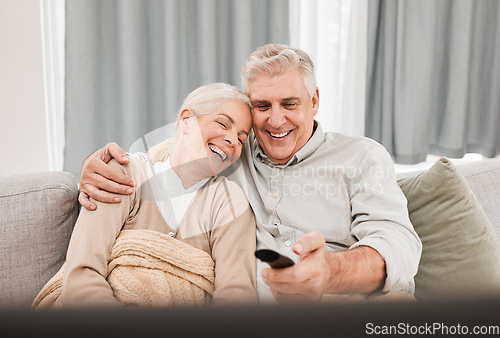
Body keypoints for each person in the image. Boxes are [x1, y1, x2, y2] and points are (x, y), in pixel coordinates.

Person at [78, 44, 422, 304]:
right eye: (262, 107)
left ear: (314, 101)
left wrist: (329, 272)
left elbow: (398, 245)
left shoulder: (361, 157)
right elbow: (175, 158)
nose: (275, 120)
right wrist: (101, 168)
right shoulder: (232, 157)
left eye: (289, 104)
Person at [33, 83, 257, 308]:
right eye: (222, 123)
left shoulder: (229, 203)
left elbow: (236, 295)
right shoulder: (123, 174)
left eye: (241, 138)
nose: (232, 141)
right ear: (186, 120)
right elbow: (82, 273)